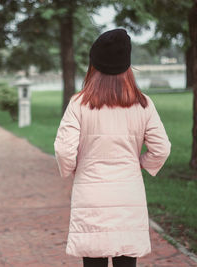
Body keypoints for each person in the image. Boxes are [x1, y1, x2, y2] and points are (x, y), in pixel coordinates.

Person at [54, 29, 171, 267]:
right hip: (128, 194)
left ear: (94, 65)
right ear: (127, 66)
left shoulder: (79, 103)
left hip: (91, 195)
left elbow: (64, 151)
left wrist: (76, 168)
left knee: (93, 259)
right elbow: (162, 149)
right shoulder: (143, 104)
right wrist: (140, 163)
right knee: (126, 260)